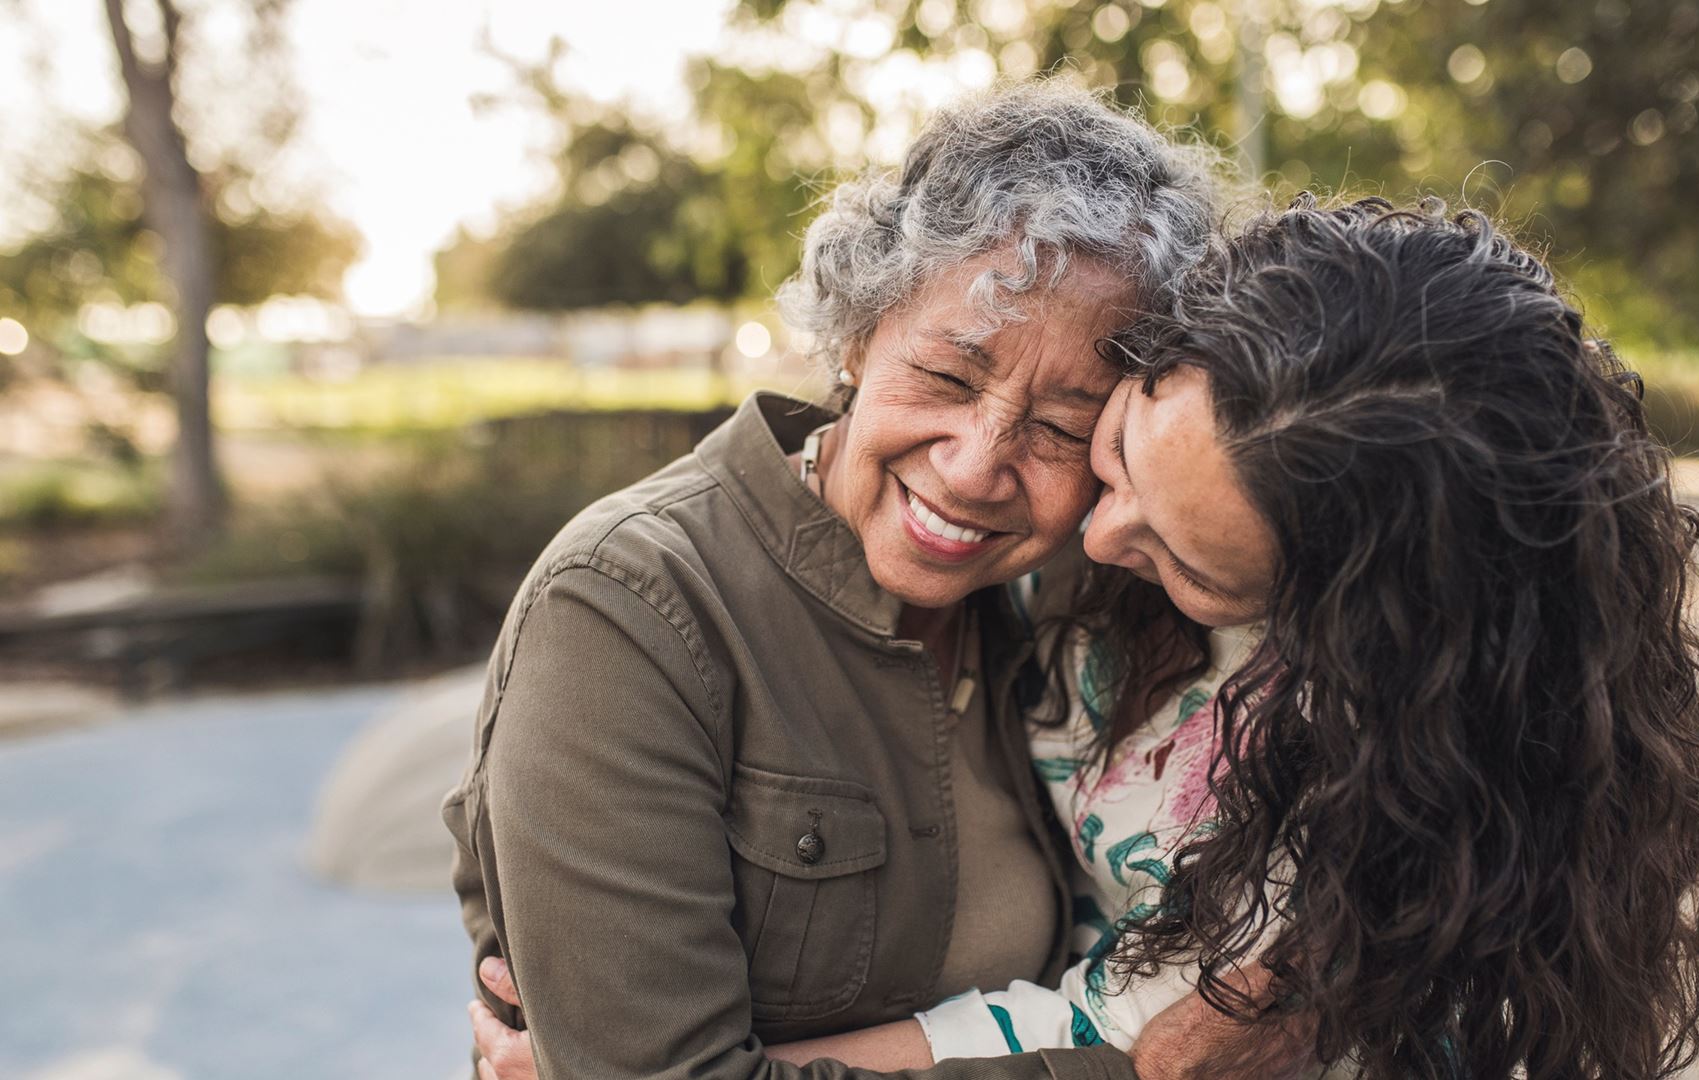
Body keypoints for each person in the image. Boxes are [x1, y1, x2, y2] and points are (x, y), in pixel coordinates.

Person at [478, 195, 1699, 1079]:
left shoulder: (1370, 774)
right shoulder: (662, 597)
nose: (1096, 541)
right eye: (1127, 450)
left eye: (1182, 557)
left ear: (1334, 607)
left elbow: (1148, 1044)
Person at [442, 80, 1221, 1080]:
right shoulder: (627, 607)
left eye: (1065, 427)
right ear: (857, 334)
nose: (979, 463)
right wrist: (1154, 1069)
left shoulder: (1067, 610)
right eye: (944, 377)